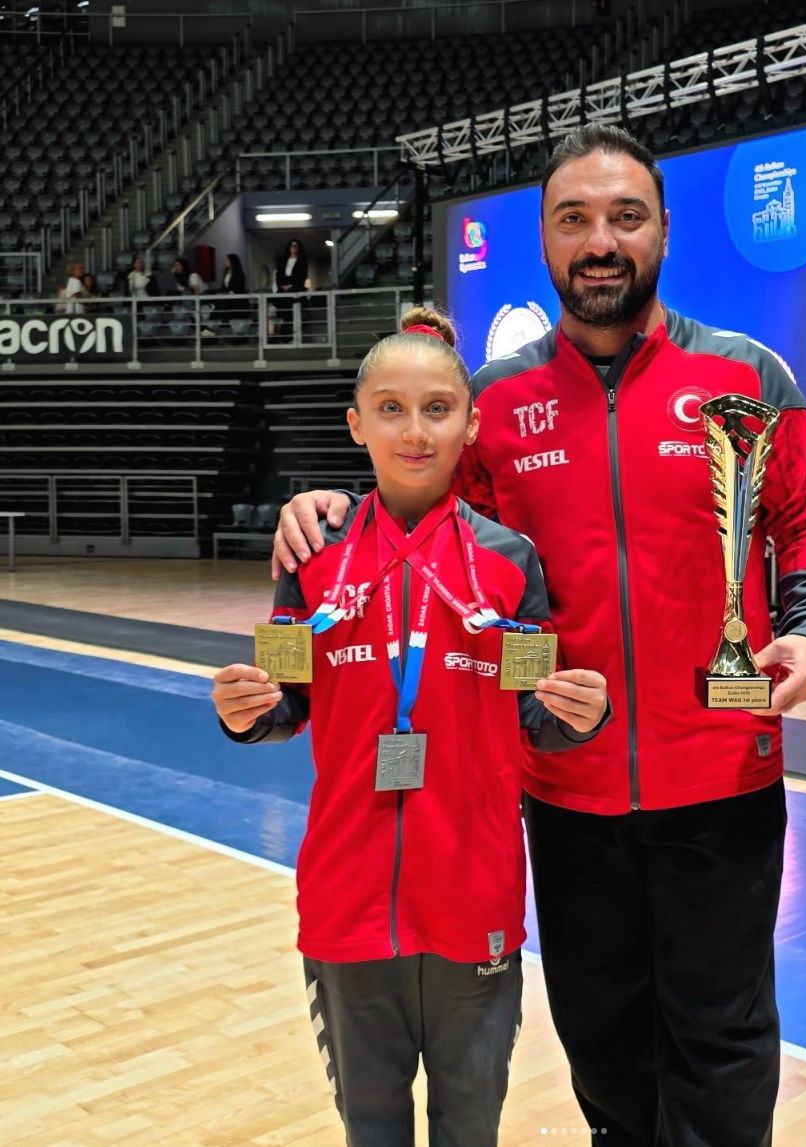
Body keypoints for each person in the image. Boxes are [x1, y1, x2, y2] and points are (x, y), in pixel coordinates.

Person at [270, 125, 806, 1147]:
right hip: (564, 789)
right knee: (603, 1036)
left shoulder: (747, 376)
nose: (601, 241)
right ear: (545, 241)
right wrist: (329, 509)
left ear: (663, 231)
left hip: (722, 775)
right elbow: (424, 519)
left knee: (721, 1039)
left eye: (626, 217)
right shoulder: (497, 402)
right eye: (574, 219)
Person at [212, 306, 609, 1147]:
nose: (416, 431)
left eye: (437, 409)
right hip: (346, 899)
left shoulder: (511, 562)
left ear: (471, 424)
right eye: (390, 409)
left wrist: (580, 715)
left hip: (475, 896)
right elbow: (289, 700)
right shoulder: (312, 555)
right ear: (356, 424)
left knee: (470, 1129)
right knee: (373, 1128)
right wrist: (249, 712)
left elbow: (534, 712)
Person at [273, 237, 308, 341]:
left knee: (293, 314)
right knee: (283, 314)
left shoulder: (302, 261)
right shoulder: (282, 260)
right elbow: (279, 275)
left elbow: (302, 276)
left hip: (295, 290)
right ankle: (284, 337)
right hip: (283, 292)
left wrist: (291, 285)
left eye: (295, 246)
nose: (293, 248)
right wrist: (282, 285)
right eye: (292, 246)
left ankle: (294, 337)